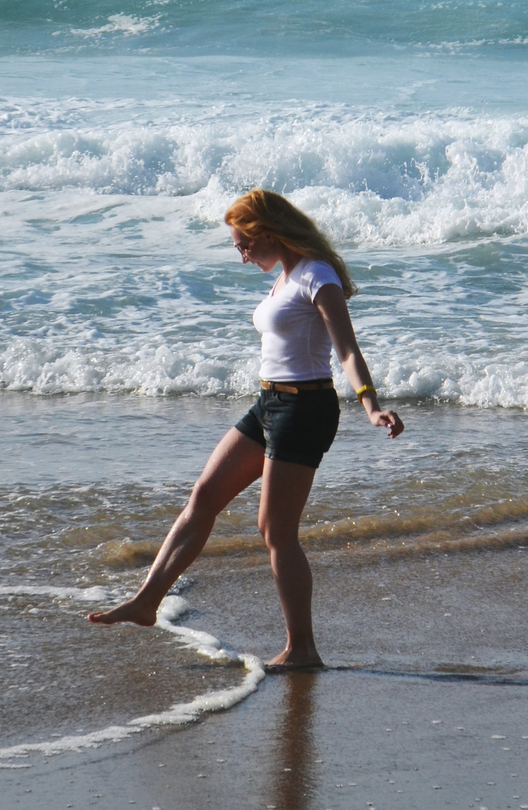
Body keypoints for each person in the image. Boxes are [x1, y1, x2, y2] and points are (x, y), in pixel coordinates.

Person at [87, 188, 403, 670]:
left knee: (276, 530)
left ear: (268, 233)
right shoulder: (286, 277)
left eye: (244, 245)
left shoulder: (318, 276)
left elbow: (347, 350)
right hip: (269, 402)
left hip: (306, 408)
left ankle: (302, 649)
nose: (241, 256)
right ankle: (146, 602)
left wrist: (371, 404)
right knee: (203, 497)